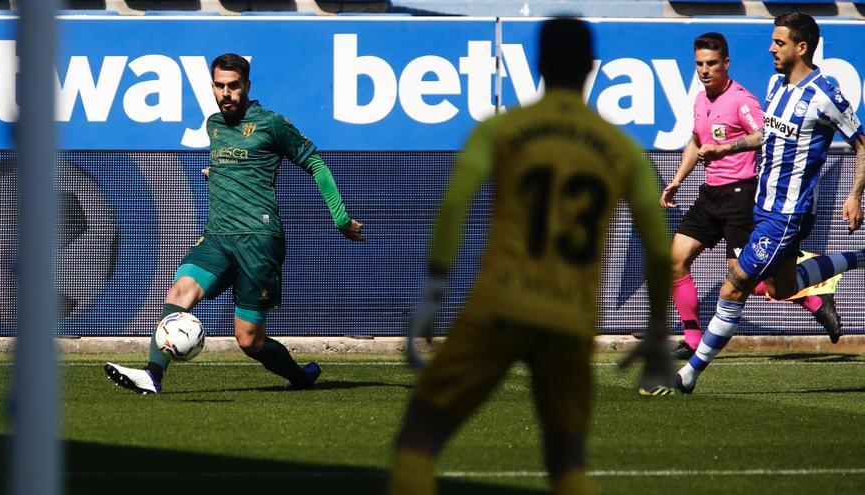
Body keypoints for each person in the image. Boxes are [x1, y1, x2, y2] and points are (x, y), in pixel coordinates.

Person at [389, 17, 674, 495]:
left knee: (418, 439)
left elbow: (455, 203)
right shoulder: (621, 148)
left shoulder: (504, 128)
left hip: (499, 306)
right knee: (567, 466)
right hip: (570, 318)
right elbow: (656, 246)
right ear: (590, 68)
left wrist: (434, 290)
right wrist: (658, 330)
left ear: (537, 64)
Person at [104, 53, 364, 394]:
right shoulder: (213, 124)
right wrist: (219, 175)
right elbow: (236, 168)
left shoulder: (271, 124)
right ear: (212, 86)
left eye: (233, 86)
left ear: (247, 86)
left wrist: (340, 218)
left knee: (248, 340)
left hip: (258, 240)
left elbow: (315, 163)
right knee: (179, 291)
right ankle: (153, 375)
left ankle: (300, 378)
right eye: (219, 85)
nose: (226, 93)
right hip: (218, 237)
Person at [674, 12, 865, 394]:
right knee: (780, 288)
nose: (770, 48)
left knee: (734, 287)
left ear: (801, 47)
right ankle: (855, 261)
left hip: (787, 214)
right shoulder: (776, 85)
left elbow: (862, 143)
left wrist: (855, 193)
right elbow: (765, 136)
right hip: (763, 205)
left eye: (778, 42)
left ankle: (689, 373)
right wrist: (724, 148)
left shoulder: (825, 93)